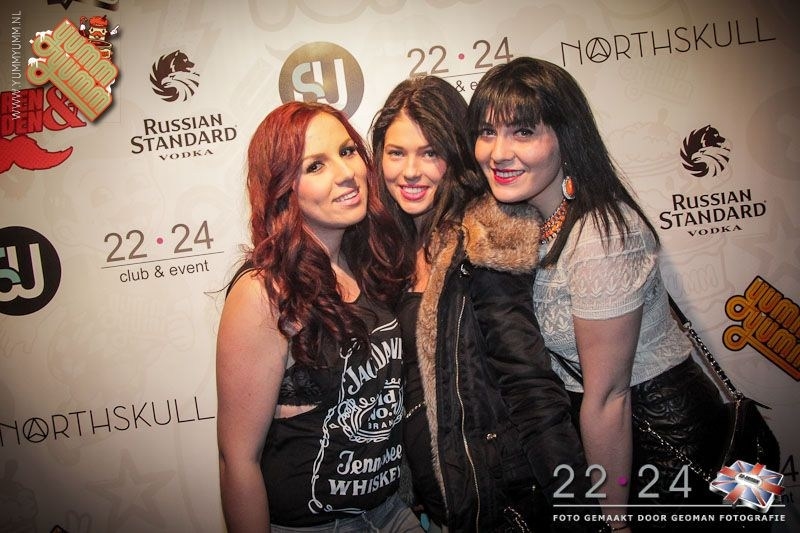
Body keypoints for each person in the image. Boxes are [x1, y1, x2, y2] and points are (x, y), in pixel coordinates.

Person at [468, 57, 730, 531]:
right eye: (487, 132)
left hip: (669, 437)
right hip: (618, 438)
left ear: (566, 137)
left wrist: (614, 522)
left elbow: (609, 396)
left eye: (523, 132)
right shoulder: (530, 224)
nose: (498, 152)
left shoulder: (602, 236)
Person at [370, 75, 598, 532]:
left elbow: (528, 383)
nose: (410, 171)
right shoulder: (384, 252)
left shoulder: (484, 236)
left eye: (429, 153)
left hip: (501, 501)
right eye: (396, 153)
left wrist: (579, 509)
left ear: (455, 154)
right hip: (435, 509)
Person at [216, 101, 423, 532]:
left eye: (348, 152)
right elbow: (238, 460)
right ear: (282, 188)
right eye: (315, 166)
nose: (346, 173)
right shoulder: (264, 292)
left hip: (390, 511)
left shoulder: (366, 264)